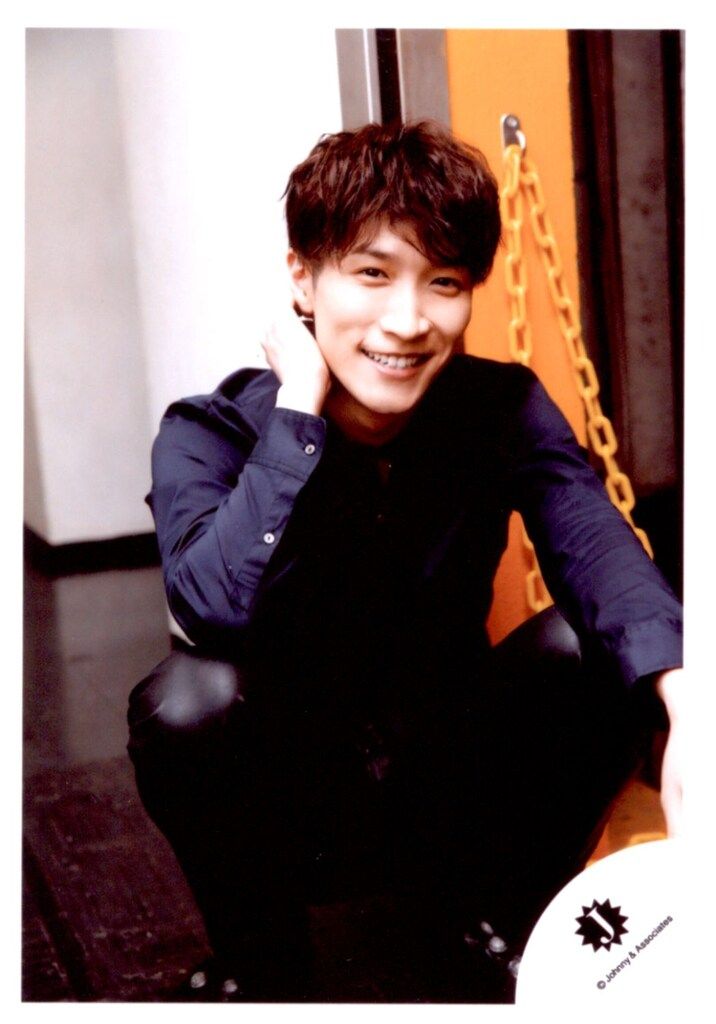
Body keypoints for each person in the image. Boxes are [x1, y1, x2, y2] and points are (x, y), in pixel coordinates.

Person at [127, 120, 684, 1003]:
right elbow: (210, 609)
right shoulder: (208, 431)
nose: (410, 320)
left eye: (444, 282)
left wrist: (690, 706)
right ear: (302, 279)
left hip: (453, 782)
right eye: (372, 273)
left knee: (601, 643)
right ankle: (262, 966)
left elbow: (595, 544)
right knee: (189, 702)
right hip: (296, 802)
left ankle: (499, 925)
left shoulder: (500, 406)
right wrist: (298, 416)